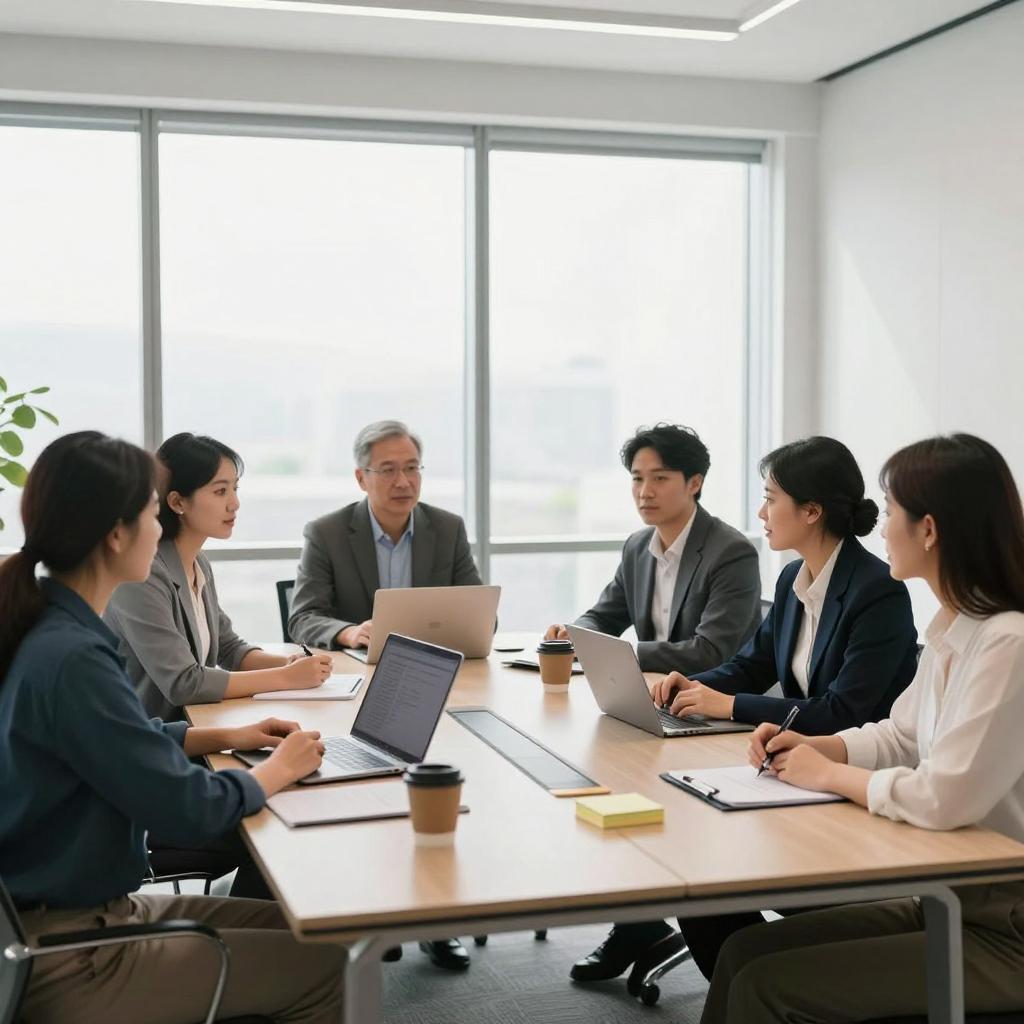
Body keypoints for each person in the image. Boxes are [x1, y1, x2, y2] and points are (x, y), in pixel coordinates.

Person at [0, 431, 345, 1024]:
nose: (159, 527)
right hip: (74, 951)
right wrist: (277, 771)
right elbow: (188, 807)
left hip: (86, 915)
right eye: (151, 512)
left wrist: (226, 736)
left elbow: (119, 740)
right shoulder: (74, 658)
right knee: (333, 967)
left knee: (311, 932)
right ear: (116, 534)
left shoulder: (51, 627)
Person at [571, 436, 918, 987]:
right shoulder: (793, 578)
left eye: (770, 498)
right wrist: (691, 686)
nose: (761, 512)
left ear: (811, 510)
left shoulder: (876, 591)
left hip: (851, 783)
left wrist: (728, 703)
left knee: (709, 873)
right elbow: (751, 665)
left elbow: (842, 710)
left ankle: (770, 991)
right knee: (697, 878)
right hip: (794, 770)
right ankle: (750, 994)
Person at [701, 433, 1024, 1024]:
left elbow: (943, 797)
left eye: (892, 511)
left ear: (929, 530)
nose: (881, 528)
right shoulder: (955, 626)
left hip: (1006, 926)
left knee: (767, 986)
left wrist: (827, 774)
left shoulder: (1009, 642)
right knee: (741, 951)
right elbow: (901, 737)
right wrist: (819, 745)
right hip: (951, 895)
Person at [289, 418, 479, 971]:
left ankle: (436, 921)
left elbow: (477, 608)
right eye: (389, 470)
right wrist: (350, 631)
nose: (403, 482)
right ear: (361, 477)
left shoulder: (447, 528)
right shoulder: (327, 532)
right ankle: (380, 911)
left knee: (437, 790)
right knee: (375, 797)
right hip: (359, 691)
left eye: (412, 468)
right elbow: (304, 616)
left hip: (435, 686)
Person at [105, 432, 333, 723]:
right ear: (177, 502)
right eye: (220, 491)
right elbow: (184, 683)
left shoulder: (197, 562)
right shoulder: (142, 574)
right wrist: (286, 678)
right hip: (147, 735)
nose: (234, 503)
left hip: (195, 726)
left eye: (235, 488)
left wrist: (288, 664)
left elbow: (228, 648)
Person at [545, 423, 762, 674]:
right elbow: (603, 617)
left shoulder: (732, 553)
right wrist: (575, 635)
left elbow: (709, 652)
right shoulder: (637, 547)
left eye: (660, 478)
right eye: (637, 479)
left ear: (694, 483)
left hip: (708, 692)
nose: (645, 492)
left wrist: (625, 654)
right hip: (649, 686)